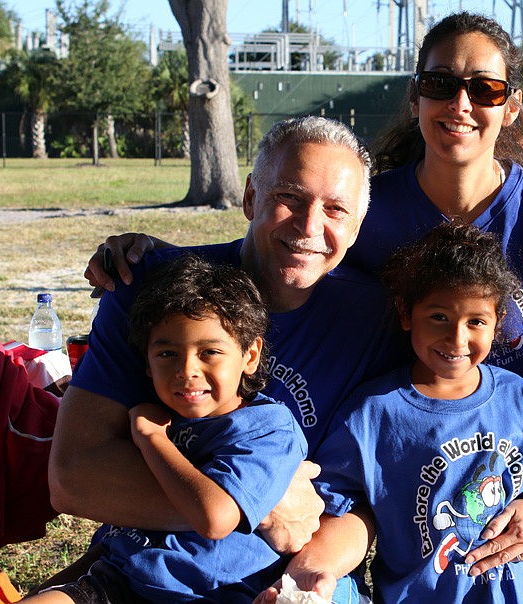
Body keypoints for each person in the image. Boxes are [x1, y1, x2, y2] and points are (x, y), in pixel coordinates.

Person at [85, 12, 523, 602]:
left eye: (485, 88)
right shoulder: (376, 211)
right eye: (441, 84)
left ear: (512, 105)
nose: (460, 103)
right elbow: (295, 248)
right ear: (417, 93)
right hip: (431, 421)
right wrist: (150, 257)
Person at [49, 117, 404, 581]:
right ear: (251, 197)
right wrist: (252, 502)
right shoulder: (150, 286)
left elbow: (367, 499)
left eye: (335, 209)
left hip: (286, 572)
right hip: (142, 564)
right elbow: (73, 476)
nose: (309, 225)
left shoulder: (377, 321)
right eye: (288, 198)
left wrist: (309, 577)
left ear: (358, 226)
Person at [256, 221, 523, 604]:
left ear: (498, 320)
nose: (457, 338)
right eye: (439, 317)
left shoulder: (520, 401)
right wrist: (306, 576)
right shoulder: (370, 414)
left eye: (476, 321)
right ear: (405, 313)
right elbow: (336, 514)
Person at [27, 254, 329, 603]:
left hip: (205, 593)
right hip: (117, 579)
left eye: (210, 352)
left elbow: (215, 517)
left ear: (250, 356)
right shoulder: (165, 412)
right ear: (146, 362)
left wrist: (152, 439)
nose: (187, 370)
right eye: (168, 354)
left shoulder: (267, 430)